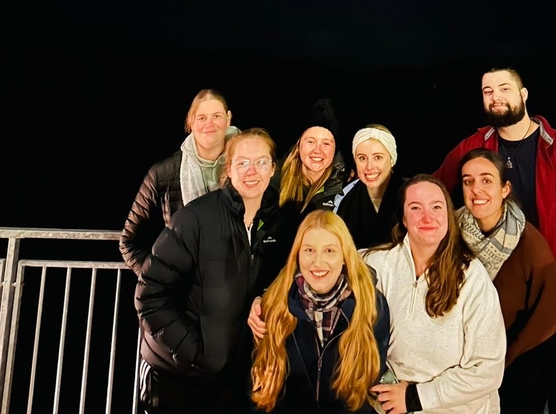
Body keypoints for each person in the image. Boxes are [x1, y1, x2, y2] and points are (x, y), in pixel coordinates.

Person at [432, 68, 556, 414]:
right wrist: (378, 181)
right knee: (516, 404)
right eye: (488, 91)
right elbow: (432, 195)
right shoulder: (473, 148)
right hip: (507, 317)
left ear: (524, 95)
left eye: (505, 88)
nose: (495, 96)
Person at [135, 128, 290, 414]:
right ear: (228, 168)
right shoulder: (195, 218)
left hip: (237, 380)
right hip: (180, 377)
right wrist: (195, 354)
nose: (251, 171)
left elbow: (287, 284)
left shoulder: (282, 225)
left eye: (261, 162)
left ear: (272, 169)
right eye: (242, 162)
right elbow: (150, 295)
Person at [363, 174, 506, 414]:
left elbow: (488, 369)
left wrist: (415, 398)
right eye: (415, 208)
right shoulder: (377, 265)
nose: (427, 217)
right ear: (404, 219)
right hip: (391, 406)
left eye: (436, 207)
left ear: (448, 216)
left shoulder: (471, 277)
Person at [249, 209, 391, 413]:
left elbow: (367, 389)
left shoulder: (371, 305)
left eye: (330, 251)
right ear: (297, 255)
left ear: (345, 256)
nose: (318, 262)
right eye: (309, 250)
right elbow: (261, 386)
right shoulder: (275, 303)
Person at [459, 149, 556, 411]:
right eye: (468, 181)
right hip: (459, 364)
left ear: (505, 189)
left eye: (486, 180)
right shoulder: (449, 233)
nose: (476, 190)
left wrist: (502, 359)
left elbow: (547, 316)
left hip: (516, 366)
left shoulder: (530, 246)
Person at [119, 88, 240, 274]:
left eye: (216, 116)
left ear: (228, 118)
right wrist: (158, 281)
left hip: (234, 291)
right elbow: (129, 242)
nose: (210, 124)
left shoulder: (248, 168)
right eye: (201, 118)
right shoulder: (163, 173)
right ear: (191, 122)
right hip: (182, 292)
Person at [277, 97, 347, 227]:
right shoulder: (275, 180)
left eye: (326, 143)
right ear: (299, 146)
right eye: (310, 142)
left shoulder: (344, 187)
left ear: (334, 151)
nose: (317, 150)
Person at [334, 124, 406, 249]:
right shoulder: (343, 197)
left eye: (378, 157)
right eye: (362, 158)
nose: (369, 167)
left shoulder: (411, 193)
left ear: (392, 159)